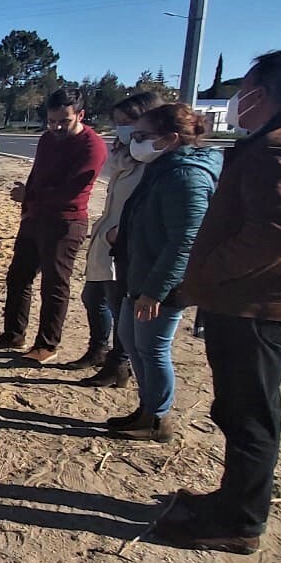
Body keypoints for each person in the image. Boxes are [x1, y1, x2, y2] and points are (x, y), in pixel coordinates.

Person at [154, 51, 281, 554]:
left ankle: (239, 522)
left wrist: (205, 273)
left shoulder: (279, 149)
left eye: (243, 90)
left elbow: (276, 232)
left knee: (248, 417)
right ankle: (234, 500)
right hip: (262, 300)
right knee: (246, 412)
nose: (237, 99)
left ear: (260, 94)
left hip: (255, 305)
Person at [102, 103, 221, 442]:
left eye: (142, 136)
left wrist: (155, 291)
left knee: (152, 349)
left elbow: (184, 241)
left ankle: (157, 418)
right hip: (139, 275)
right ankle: (147, 407)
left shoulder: (186, 176)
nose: (135, 142)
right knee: (131, 340)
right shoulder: (162, 168)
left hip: (161, 285)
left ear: (169, 138)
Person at [0, 89, 107, 364]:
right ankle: (13, 335)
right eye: (51, 121)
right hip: (34, 219)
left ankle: (47, 344)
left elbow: (72, 190)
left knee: (54, 285)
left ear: (80, 115)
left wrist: (30, 196)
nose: (56, 127)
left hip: (65, 223)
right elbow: (36, 175)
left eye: (64, 121)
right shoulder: (47, 139)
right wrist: (27, 208)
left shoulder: (92, 146)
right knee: (18, 277)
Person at [71, 91, 164, 387]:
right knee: (92, 297)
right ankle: (98, 350)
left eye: (128, 122)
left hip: (126, 246)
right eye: (119, 122)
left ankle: (119, 364)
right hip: (108, 238)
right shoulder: (126, 157)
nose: (122, 129)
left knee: (119, 307)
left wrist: (122, 235)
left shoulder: (154, 162)